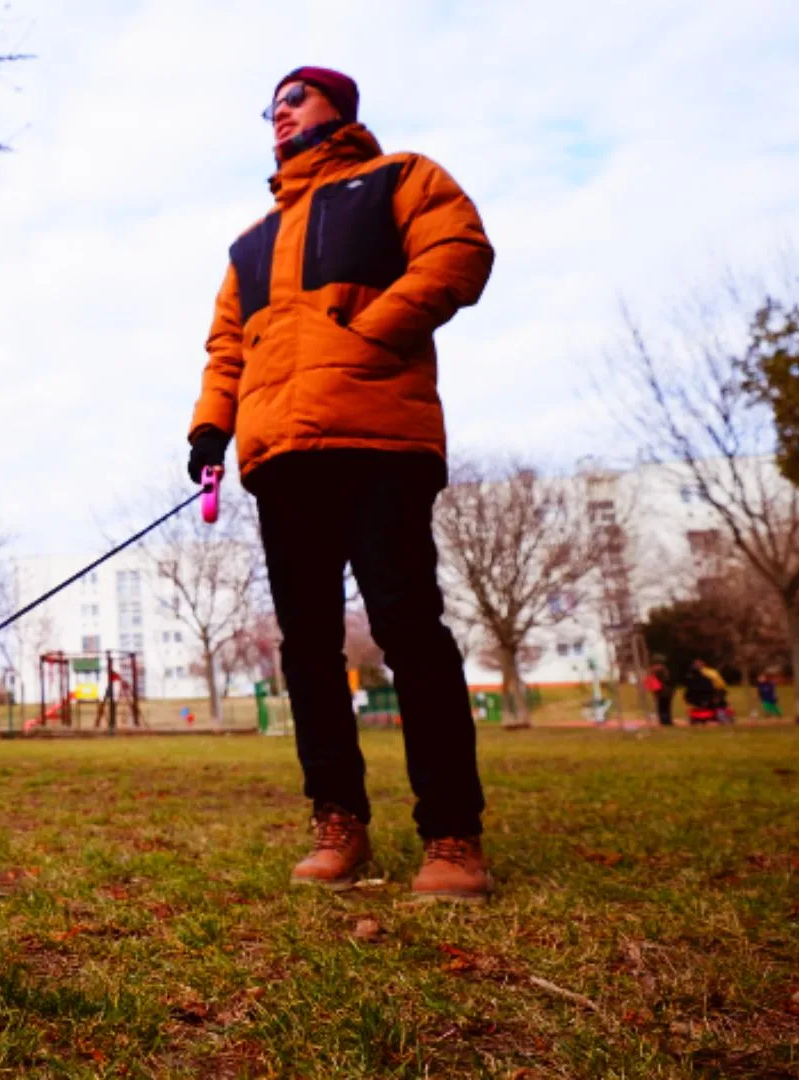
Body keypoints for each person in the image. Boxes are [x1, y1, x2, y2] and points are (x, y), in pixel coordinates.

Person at [186, 67, 495, 900]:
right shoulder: (251, 240)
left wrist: (369, 336)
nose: (278, 114)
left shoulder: (402, 178)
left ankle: (453, 835)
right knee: (308, 651)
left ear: (338, 109)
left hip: (379, 438)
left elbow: (460, 252)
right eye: (270, 107)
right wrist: (212, 427)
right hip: (281, 456)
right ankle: (338, 820)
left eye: (295, 99)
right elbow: (227, 348)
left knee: (410, 632)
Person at [647, 663, 674, 728]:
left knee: (662, 708)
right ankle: (668, 721)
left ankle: (664, 722)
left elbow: (655, 686)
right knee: (666, 708)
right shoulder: (664, 673)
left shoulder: (655, 675)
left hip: (662, 692)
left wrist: (655, 695)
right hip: (667, 692)